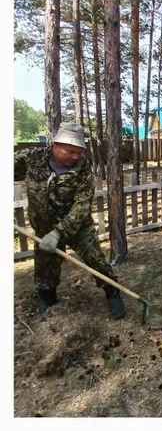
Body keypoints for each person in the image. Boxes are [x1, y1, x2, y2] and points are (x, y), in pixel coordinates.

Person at [14, 123, 126, 318]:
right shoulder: (32, 157)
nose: (76, 157)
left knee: (96, 261)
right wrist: (49, 232)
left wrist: (58, 233)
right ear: (56, 144)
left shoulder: (83, 169)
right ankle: (48, 301)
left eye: (79, 152)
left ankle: (113, 293)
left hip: (77, 227)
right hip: (43, 227)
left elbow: (81, 206)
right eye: (71, 151)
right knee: (45, 267)